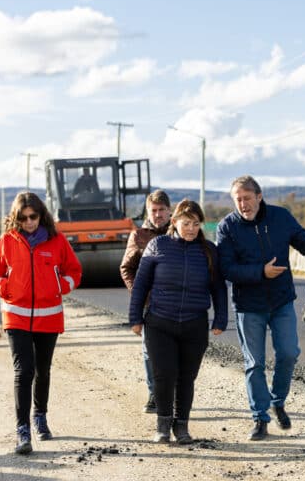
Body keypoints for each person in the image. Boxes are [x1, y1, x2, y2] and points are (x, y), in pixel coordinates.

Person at [216, 176, 305, 441]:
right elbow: (227, 269)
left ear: (259, 196)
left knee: (289, 353)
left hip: (281, 301)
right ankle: (260, 419)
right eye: (238, 200)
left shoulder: (280, 217)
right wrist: (261, 272)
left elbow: (302, 239)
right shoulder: (227, 227)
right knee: (254, 363)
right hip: (249, 306)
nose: (243, 204)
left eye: (247, 198)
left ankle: (278, 400)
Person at [0, 192, 82, 455]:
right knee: (23, 371)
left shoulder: (57, 240)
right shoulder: (6, 241)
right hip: (16, 316)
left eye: (33, 216)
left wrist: (60, 286)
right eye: (23, 217)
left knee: (43, 370)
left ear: (41, 215)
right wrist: (5, 287)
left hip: (49, 316)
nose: (29, 222)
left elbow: (74, 270)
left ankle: (40, 416)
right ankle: (22, 429)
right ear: (16, 218)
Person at [129, 199, 227, 444]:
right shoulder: (157, 245)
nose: (192, 228)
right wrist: (135, 318)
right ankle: (162, 425)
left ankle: (181, 427)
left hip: (194, 323)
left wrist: (221, 318)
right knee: (164, 375)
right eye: (186, 223)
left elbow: (218, 288)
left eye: (196, 223)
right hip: (159, 322)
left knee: (186, 377)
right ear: (174, 222)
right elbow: (141, 284)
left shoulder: (209, 250)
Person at [119, 189, 172, 413]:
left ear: (170, 211)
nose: (158, 214)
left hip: (178, 302)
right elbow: (126, 268)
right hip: (151, 304)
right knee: (150, 350)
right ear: (148, 212)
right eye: (154, 210)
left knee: (176, 351)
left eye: (162, 210)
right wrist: (139, 294)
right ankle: (154, 394)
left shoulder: (180, 232)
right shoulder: (138, 236)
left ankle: (174, 393)